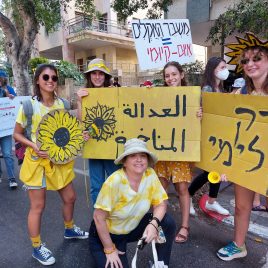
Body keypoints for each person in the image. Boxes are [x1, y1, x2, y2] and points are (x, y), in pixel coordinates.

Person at [13, 64, 88, 266]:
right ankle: (37, 248)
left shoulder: (62, 104)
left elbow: (71, 127)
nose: (50, 81)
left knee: (70, 197)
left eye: (54, 78)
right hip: (37, 163)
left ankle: (69, 228)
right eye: (45, 77)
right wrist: (33, 145)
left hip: (59, 161)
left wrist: (80, 134)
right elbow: (17, 134)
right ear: (37, 80)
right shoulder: (28, 106)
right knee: (38, 206)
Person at [217, 33, 268, 261]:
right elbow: (223, 126)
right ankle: (239, 245)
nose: (250, 64)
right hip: (247, 161)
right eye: (245, 60)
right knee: (241, 206)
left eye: (257, 58)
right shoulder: (239, 94)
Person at [89, 138, 176, 268]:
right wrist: (109, 249)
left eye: (142, 156)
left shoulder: (150, 174)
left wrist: (153, 224)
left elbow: (161, 203)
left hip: (131, 228)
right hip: (108, 233)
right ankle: (102, 250)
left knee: (167, 222)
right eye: (133, 156)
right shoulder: (114, 182)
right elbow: (98, 217)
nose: (139, 159)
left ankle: (161, 264)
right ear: (124, 162)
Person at [153, 61, 200, 243]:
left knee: (182, 188)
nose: (170, 78)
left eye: (173, 74)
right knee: (160, 189)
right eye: (167, 76)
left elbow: (197, 125)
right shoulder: (158, 96)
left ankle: (185, 226)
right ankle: (157, 224)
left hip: (181, 151)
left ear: (181, 74)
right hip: (162, 151)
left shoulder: (192, 97)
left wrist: (199, 115)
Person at [188, 57, 230, 216]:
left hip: (219, 136)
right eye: (222, 67)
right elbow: (204, 113)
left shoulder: (220, 89)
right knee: (209, 172)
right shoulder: (207, 89)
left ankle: (211, 201)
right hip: (209, 137)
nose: (225, 70)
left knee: (216, 170)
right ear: (213, 70)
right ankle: (189, 195)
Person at [77, 58, 119, 205]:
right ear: (89, 76)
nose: (97, 77)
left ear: (105, 76)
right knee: (96, 187)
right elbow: (82, 120)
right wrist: (79, 101)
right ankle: (98, 220)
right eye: (93, 73)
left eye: (100, 73)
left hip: (112, 147)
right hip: (94, 146)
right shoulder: (84, 94)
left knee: (116, 183)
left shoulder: (115, 92)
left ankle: (117, 217)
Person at [0, 70, 18, 188]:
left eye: (0, 78)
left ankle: (12, 178)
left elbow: (16, 104)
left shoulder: (9, 89)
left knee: (7, 153)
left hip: (5, 128)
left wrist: (10, 97)